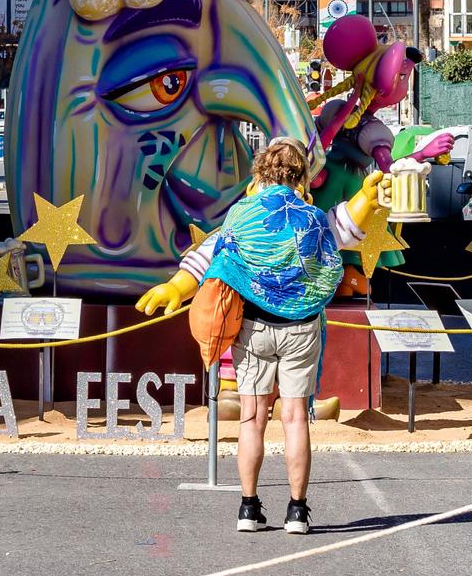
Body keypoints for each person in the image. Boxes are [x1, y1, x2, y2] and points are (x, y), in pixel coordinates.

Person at [136, 137, 386, 535]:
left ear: (259, 174)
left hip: (253, 330)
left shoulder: (241, 216)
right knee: (294, 420)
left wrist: (176, 287)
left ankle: (249, 509)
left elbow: (208, 257)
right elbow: (345, 226)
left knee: (252, 420)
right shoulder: (309, 217)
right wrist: (368, 201)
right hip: (302, 330)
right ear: (302, 176)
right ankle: (298, 512)